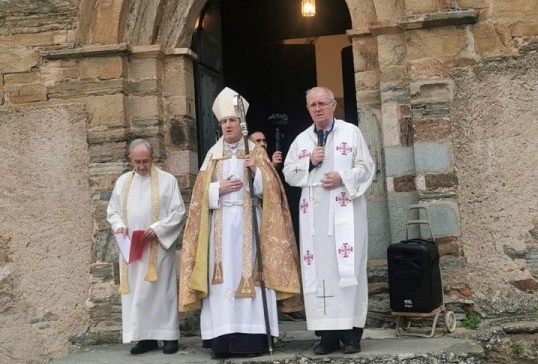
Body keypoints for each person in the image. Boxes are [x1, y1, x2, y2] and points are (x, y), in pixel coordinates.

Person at [178, 87, 302, 358]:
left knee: (251, 278)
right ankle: (222, 339)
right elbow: (198, 198)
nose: (228, 125)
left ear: (240, 123)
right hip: (221, 225)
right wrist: (216, 189)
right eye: (223, 121)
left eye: (232, 121)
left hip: (250, 224)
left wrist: (257, 170)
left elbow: (272, 192)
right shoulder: (212, 155)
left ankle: (254, 339)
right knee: (222, 282)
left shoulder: (255, 152)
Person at [282, 86, 375, 355]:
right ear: (308, 108)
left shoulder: (351, 132)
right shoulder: (301, 141)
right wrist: (309, 162)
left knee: (349, 270)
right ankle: (327, 337)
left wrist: (342, 178)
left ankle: (352, 336)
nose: (318, 108)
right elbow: (288, 173)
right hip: (314, 219)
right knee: (321, 274)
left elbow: (367, 167)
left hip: (346, 213)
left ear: (334, 105)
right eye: (313, 104)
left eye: (323, 103)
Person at [107, 139, 187, 355]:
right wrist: (120, 226)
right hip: (132, 248)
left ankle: (169, 336)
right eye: (137, 162)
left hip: (157, 248)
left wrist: (158, 228)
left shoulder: (167, 181)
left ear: (153, 159)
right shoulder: (123, 182)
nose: (141, 167)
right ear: (130, 160)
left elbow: (178, 212)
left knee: (162, 292)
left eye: (145, 162)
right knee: (137, 295)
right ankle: (145, 338)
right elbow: (113, 210)